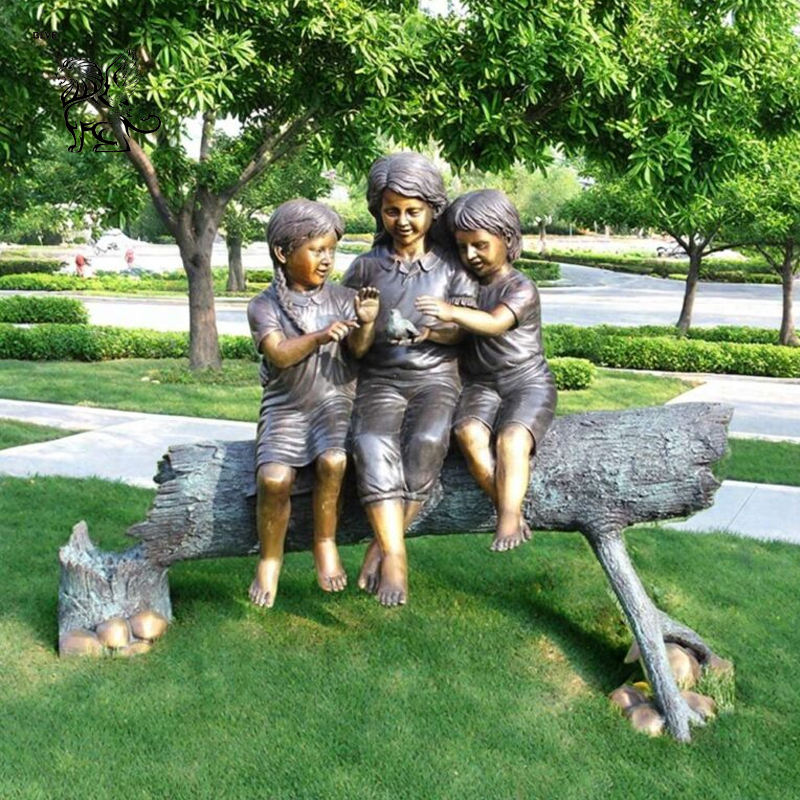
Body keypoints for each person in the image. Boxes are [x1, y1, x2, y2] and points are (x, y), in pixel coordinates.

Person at [342, 152, 478, 607]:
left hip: (436, 377)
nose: (402, 221)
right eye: (391, 211)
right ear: (378, 212)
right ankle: (397, 557)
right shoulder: (365, 268)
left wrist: (436, 329)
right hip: (380, 379)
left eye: (413, 211)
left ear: (433, 210)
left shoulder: (453, 268)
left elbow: (464, 331)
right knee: (370, 441)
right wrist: (365, 324)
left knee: (429, 436)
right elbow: (355, 349)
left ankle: (382, 547)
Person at [246, 199, 380, 607]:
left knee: (334, 461)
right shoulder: (264, 305)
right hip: (286, 406)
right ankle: (270, 559)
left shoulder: (343, 298)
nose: (326, 260)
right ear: (282, 253)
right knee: (273, 479)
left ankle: (325, 542)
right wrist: (320, 336)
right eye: (316, 250)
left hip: (334, 400)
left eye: (331, 251)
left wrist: (366, 322)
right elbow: (279, 354)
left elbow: (358, 351)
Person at [415, 189, 557, 551]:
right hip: (481, 383)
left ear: (507, 239)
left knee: (512, 439)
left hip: (526, 381)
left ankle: (507, 516)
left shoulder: (521, 287)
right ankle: (508, 508)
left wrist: (450, 311)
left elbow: (494, 324)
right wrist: (430, 333)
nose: (470, 255)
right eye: (462, 247)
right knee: (467, 432)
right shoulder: (468, 286)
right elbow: (461, 334)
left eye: (479, 245)